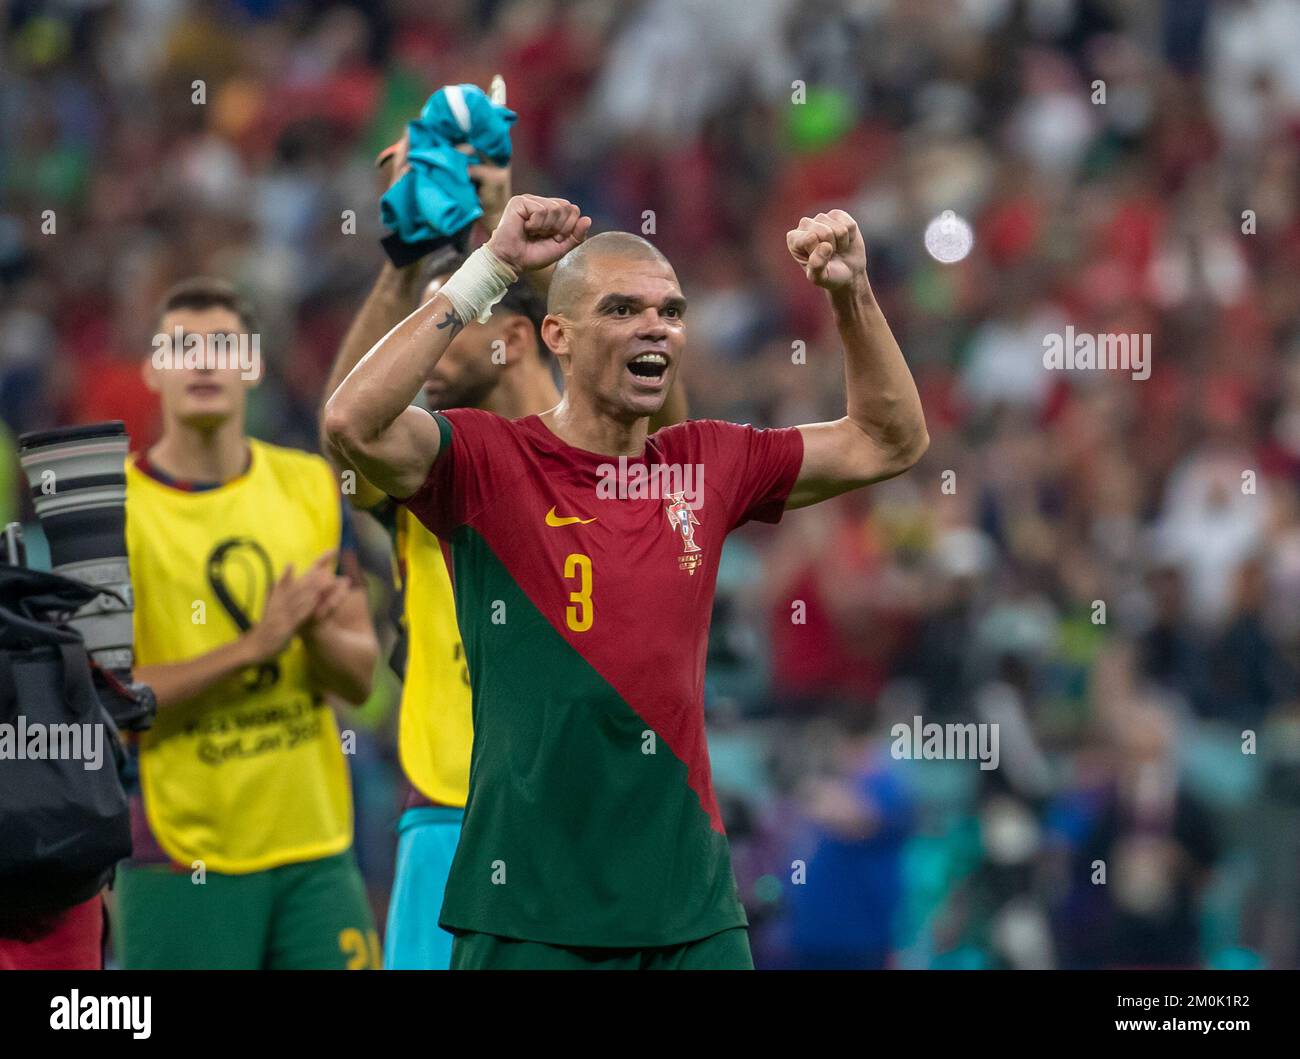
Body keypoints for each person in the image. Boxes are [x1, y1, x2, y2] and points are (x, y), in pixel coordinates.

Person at [324, 195, 928, 969]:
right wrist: (491, 270)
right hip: (528, 907)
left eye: (671, 311)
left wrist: (852, 295)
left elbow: (890, 439)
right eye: (622, 308)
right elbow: (353, 423)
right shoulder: (486, 461)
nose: (656, 326)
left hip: (688, 907)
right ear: (558, 336)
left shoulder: (707, 463)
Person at [322, 143, 685, 969]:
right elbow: (348, 434)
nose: (425, 355)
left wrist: (499, 226)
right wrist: (408, 263)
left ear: (517, 338)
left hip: (585, 816)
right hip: (451, 808)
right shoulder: (442, 462)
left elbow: (665, 425)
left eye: (452, 320)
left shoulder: (605, 450)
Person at [116, 278, 381, 969]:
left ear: (253, 364)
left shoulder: (310, 484)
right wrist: (254, 647)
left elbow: (358, 678)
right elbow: (112, 703)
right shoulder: (115, 513)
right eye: (183, 348)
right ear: (153, 368)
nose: (204, 362)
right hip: (181, 851)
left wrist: (314, 630)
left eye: (223, 346)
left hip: (315, 846)